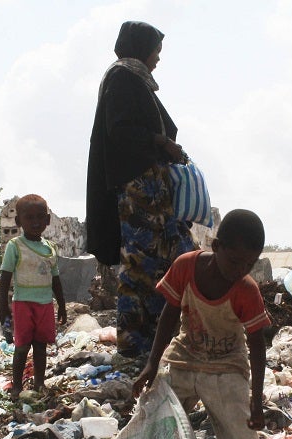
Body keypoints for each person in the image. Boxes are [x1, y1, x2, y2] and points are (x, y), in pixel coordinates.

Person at [132, 209, 278, 439]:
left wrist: (255, 400)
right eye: (235, 261)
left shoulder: (246, 290)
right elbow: (169, 314)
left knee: (241, 437)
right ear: (216, 247)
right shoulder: (186, 267)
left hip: (226, 365)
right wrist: (152, 363)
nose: (240, 270)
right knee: (153, 420)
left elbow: (257, 345)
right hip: (185, 357)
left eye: (248, 264)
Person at [85, 20, 195, 360]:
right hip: (139, 191)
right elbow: (121, 131)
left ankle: (167, 339)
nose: (157, 59)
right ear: (140, 48)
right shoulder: (122, 78)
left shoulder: (135, 81)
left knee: (172, 260)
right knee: (141, 267)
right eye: (155, 52)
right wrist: (160, 141)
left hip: (154, 193)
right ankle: (136, 345)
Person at [0, 195, 67, 398]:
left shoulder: (50, 249)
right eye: (29, 218)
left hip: (45, 304)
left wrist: (62, 306)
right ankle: (17, 386)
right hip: (23, 304)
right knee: (21, 347)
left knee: (40, 346)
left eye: (39, 217)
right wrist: (3, 305)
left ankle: (39, 384)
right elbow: (5, 277)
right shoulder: (15, 246)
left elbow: (56, 280)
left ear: (47, 220)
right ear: (19, 222)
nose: (35, 222)